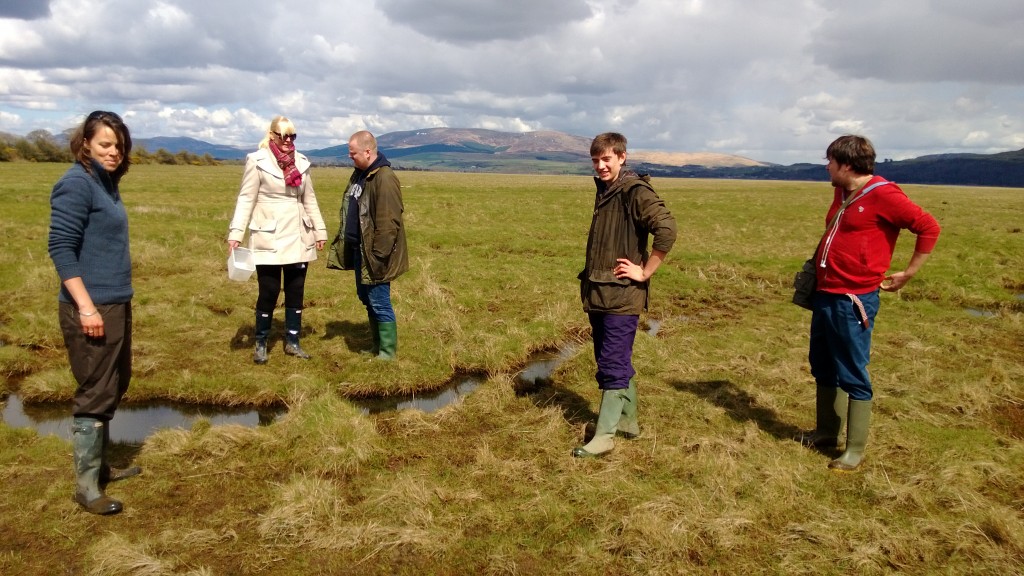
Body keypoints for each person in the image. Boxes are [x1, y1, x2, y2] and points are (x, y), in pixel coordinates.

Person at [797, 134, 940, 472]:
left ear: (847, 164)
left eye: (831, 161)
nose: (827, 166)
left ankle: (854, 449)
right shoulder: (841, 190)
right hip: (826, 294)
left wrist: (909, 272)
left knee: (852, 370)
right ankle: (826, 433)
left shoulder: (886, 196)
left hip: (853, 299)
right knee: (822, 363)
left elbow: (928, 226)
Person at [48, 111, 141, 515]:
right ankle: (86, 487)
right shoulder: (75, 184)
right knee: (95, 391)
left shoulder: (104, 183)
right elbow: (61, 248)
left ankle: (100, 467)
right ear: (85, 142)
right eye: (105, 144)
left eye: (118, 146)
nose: (114, 152)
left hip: (115, 301)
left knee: (115, 382)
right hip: (91, 306)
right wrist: (85, 306)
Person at [573, 132, 677, 458]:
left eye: (606, 159)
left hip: (622, 296)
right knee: (611, 360)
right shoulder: (607, 190)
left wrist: (645, 271)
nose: (600, 165)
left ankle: (604, 437)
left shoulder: (634, 191)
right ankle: (628, 423)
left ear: (622, 156)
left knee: (613, 363)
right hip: (600, 292)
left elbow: (667, 229)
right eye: (595, 160)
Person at [227, 116, 328, 364]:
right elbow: (246, 199)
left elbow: (309, 200)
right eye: (283, 136)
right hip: (268, 235)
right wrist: (236, 233)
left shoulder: (302, 163)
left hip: (298, 234)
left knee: (296, 290)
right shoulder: (257, 161)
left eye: (292, 136)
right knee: (269, 291)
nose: (288, 141)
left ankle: (293, 342)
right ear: (272, 135)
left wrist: (320, 231)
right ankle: (261, 342)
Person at [327, 130, 409, 360]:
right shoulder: (361, 174)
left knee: (379, 301)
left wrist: (379, 255)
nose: (349, 157)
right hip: (359, 251)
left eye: (352, 153)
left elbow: (389, 220)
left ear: (367, 151)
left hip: (374, 255)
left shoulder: (384, 177)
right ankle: (376, 346)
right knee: (366, 298)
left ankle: (387, 352)